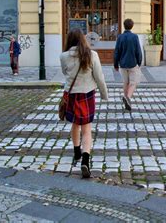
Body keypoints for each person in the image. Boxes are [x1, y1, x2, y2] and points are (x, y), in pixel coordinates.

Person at [60, 28, 108, 179]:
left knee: (75, 124)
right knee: (87, 128)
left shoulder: (63, 56)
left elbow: (65, 73)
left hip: (71, 94)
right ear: (82, 39)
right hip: (87, 94)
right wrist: (104, 94)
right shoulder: (91, 55)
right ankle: (86, 160)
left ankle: (76, 152)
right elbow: (99, 77)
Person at [113, 18, 142, 111]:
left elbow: (116, 51)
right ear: (132, 26)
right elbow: (138, 51)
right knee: (133, 83)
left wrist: (115, 64)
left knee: (126, 82)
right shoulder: (135, 37)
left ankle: (126, 102)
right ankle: (127, 97)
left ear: (124, 25)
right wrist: (139, 62)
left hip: (122, 64)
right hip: (133, 63)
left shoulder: (120, 37)